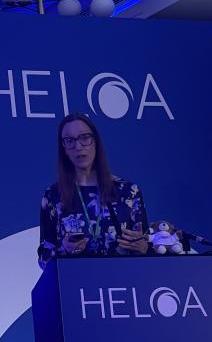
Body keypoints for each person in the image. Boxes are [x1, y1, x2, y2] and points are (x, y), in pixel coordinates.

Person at [38, 112, 149, 267]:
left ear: (95, 141)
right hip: (75, 284)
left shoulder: (128, 191)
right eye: (69, 141)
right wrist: (63, 249)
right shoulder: (53, 196)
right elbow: (43, 259)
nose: (78, 146)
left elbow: (147, 247)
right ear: (63, 148)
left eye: (84, 138)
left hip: (124, 282)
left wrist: (143, 248)